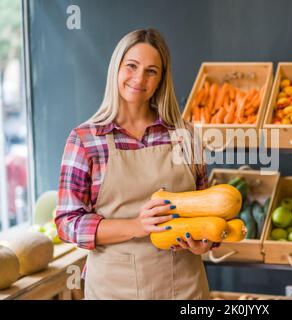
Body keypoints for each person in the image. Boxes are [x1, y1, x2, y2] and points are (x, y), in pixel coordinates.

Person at [55, 28, 214, 300]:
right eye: (132, 66)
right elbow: (67, 223)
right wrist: (137, 226)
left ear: (161, 79)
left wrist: (205, 241)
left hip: (185, 287)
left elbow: (206, 207)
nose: (140, 78)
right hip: (115, 289)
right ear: (116, 68)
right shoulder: (86, 140)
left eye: (152, 71)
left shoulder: (184, 135)